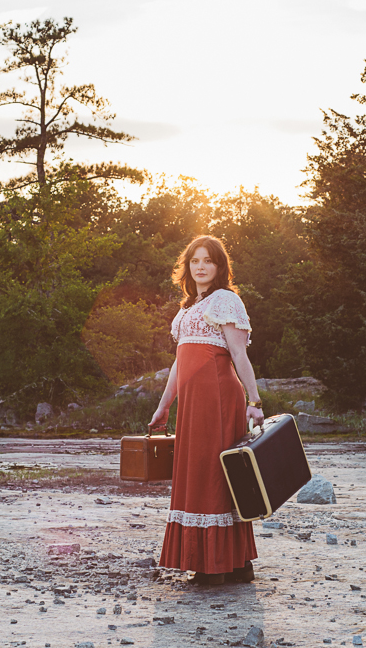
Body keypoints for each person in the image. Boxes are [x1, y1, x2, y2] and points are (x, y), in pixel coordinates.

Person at [148, 235, 265, 585]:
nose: (200, 266)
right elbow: (179, 365)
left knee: (214, 475)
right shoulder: (186, 310)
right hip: (192, 404)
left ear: (219, 267)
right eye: (194, 260)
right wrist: (163, 406)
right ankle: (233, 563)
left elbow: (240, 355)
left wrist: (254, 401)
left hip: (217, 398)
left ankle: (217, 566)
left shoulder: (225, 301)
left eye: (207, 261)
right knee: (198, 473)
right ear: (187, 267)